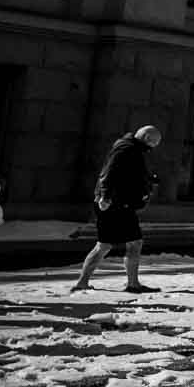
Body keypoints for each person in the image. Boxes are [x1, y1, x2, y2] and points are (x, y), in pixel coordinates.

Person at [75, 124, 161, 293]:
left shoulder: (130, 148)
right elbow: (108, 173)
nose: (153, 147)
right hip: (116, 204)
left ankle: (83, 283)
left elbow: (127, 174)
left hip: (118, 203)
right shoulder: (126, 149)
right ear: (146, 139)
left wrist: (148, 180)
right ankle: (132, 284)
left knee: (107, 245)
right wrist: (105, 197)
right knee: (128, 243)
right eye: (154, 143)